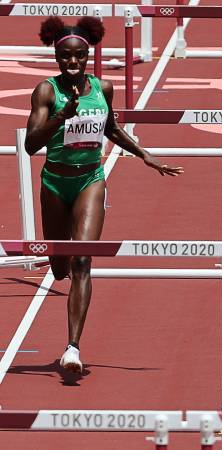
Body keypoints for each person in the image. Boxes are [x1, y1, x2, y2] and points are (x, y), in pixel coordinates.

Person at [24, 16, 183, 374]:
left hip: (90, 180)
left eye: (79, 56)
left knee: (82, 260)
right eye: (65, 57)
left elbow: (110, 126)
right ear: (56, 57)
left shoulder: (103, 88)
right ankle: (60, 268)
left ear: (89, 54)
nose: (73, 63)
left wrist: (144, 154)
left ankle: (72, 349)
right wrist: (61, 117)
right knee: (59, 268)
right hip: (54, 182)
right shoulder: (46, 91)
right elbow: (30, 144)